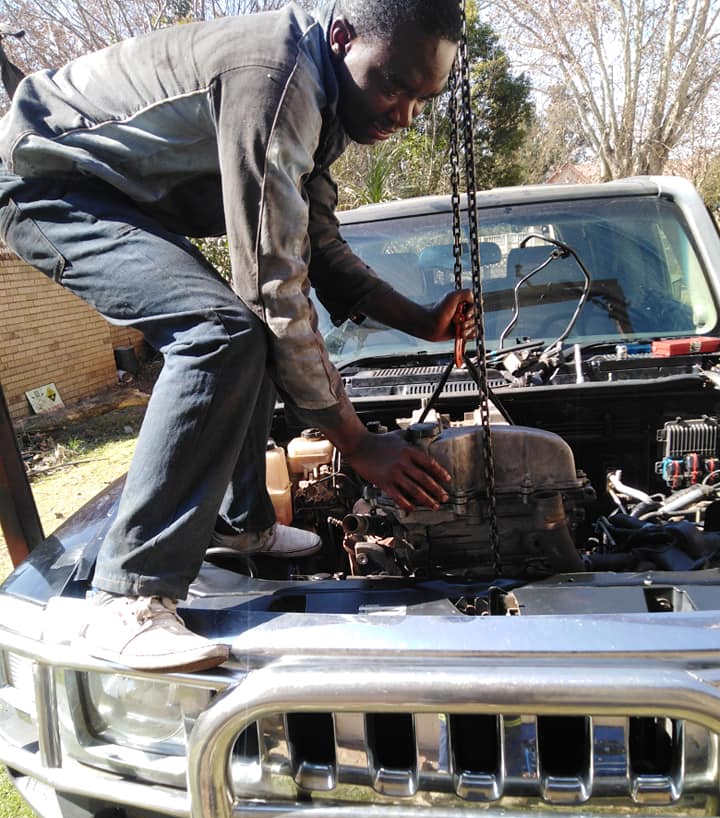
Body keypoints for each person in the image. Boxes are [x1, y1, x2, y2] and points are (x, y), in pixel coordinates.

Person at [0, 0, 471, 673]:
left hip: (117, 195)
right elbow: (276, 284)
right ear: (342, 38)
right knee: (219, 330)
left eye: (421, 99)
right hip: (47, 181)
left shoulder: (329, 104)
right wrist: (357, 442)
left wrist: (421, 320)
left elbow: (320, 244)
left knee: (242, 332)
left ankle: (239, 522)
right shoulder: (278, 82)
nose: (403, 116)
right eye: (393, 85)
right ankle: (127, 597)